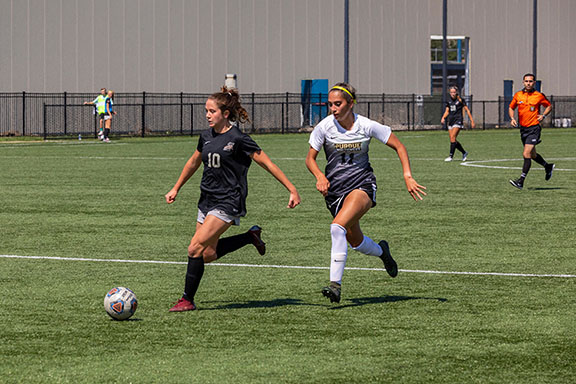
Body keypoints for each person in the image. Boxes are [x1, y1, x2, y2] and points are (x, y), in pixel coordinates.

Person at [165, 86, 301, 312]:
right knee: (207, 254)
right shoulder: (206, 136)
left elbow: (266, 163)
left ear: (225, 114)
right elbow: (193, 162)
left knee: (194, 248)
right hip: (206, 199)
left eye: (212, 111)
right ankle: (250, 237)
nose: (207, 115)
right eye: (206, 111)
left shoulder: (238, 138)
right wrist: (176, 187)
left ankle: (187, 300)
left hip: (228, 201)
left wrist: (291, 188)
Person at [305, 83, 427, 304]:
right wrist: (320, 177)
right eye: (330, 104)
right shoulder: (324, 127)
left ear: (351, 104)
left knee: (337, 227)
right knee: (355, 241)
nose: (333, 108)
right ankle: (383, 252)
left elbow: (399, 146)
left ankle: (335, 285)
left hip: (362, 185)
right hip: (335, 191)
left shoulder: (366, 125)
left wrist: (407, 176)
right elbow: (309, 159)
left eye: (338, 104)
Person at [508, 73, 554, 190]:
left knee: (526, 154)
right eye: (526, 81)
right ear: (523, 82)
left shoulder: (539, 96)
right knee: (532, 155)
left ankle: (521, 181)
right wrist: (512, 118)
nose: (528, 83)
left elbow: (549, 106)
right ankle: (547, 166)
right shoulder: (518, 95)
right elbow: (511, 107)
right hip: (523, 129)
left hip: (534, 128)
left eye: (530, 81)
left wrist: (543, 116)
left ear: (534, 83)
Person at [440, 86, 475, 162]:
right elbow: (447, 111)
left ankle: (450, 156)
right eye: (451, 92)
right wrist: (443, 117)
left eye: (454, 92)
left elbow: (467, 110)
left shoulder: (460, 100)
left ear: (456, 93)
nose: (453, 94)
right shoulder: (448, 101)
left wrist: (472, 121)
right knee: (453, 140)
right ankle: (464, 152)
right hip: (451, 121)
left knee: (453, 137)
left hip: (458, 120)